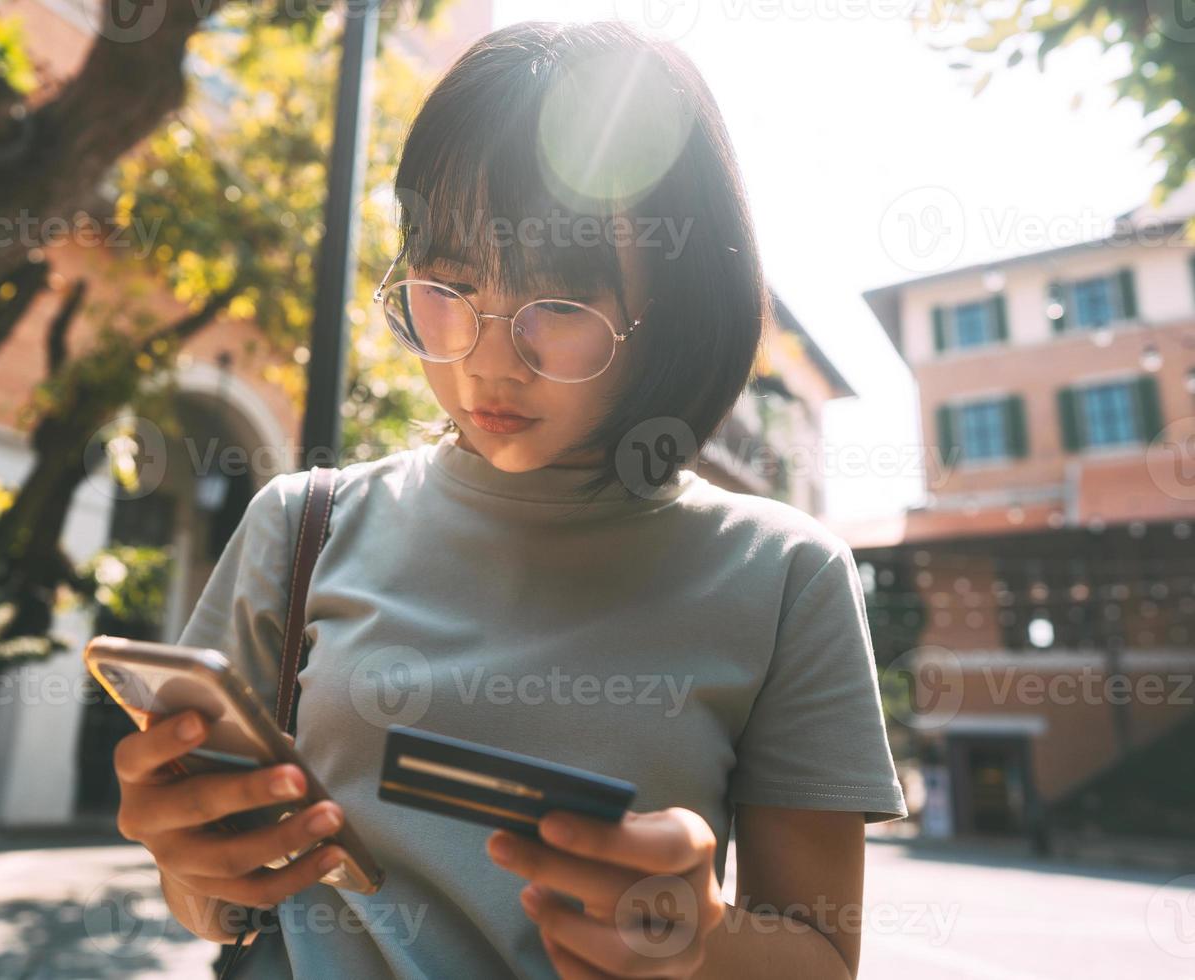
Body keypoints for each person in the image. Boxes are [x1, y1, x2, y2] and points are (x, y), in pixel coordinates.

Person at [113, 19, 906, 979]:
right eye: (446, 285)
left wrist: (699, 943)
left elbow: (821, 958)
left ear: (678, 306)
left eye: (559, 306)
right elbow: (219, 904)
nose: (487, 360)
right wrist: (196, 864)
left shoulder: (784, 575)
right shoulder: (301, 526)